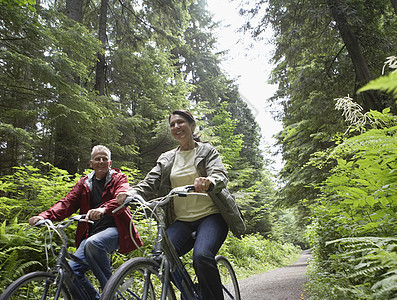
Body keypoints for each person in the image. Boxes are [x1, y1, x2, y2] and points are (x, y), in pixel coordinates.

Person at [117, 110, 245, 299]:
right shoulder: (167, 158)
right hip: (182, 221)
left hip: (211, 216)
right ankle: (189, 293)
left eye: (181, 122)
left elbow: (220, 175)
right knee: (161, 258)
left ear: (192, 126)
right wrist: (132, 192)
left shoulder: (206, 151)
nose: (176, 127)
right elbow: (150, 181)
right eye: (172, 124)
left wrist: (209, 181)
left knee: (201, 256)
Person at [29, 145, 142, 299]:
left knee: (93, 243)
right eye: (97, 159)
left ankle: (111, 294)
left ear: (110, 163)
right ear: (91, 163)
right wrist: (45, 216)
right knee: (71, 272)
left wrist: (103, 209)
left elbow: (121, 196)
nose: (101, 162)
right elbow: (67, 203)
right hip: (91, 234)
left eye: (104, 159)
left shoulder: (118, 178)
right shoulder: (84, 183)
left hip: (116, 229)